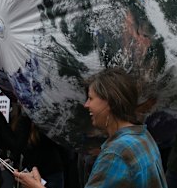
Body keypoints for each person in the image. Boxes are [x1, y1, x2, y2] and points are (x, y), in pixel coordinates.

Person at [14, 68, 168, 188]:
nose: (86, 104)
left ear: (109, 103)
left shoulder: (117, 153)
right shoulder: (142, 135)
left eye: (91, 98)